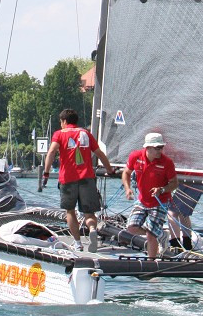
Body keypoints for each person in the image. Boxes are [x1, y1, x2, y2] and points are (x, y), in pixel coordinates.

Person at [42, 108, 114, 254]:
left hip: (68, 179)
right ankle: (92, 229)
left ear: (64, 121)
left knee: (70, 211)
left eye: (61, 122)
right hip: (87, 178)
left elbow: (51, 152)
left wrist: (46, 173)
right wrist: (110, 169)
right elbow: (99, 153)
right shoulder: (86, 133)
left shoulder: (59, 134)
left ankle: (77, 243)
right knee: (89, 213)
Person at [122, 132, 178, 259]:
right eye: (157, 148)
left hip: (160, 201)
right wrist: (127, 189)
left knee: (150, 236)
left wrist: (162, 189)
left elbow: (175, 183)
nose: (160, 150)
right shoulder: (135, 156)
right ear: (147, 148)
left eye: (161, 147)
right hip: (142, 200)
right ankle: (161, 235)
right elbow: (126, 173)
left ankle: (151, 262)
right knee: (131, 227)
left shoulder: (167, 162)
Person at [167, 182, 203, 251]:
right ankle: (187, 244)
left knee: (172, 212)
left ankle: (175, 245)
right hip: (197, 181)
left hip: (189, 181)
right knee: (183, 213)